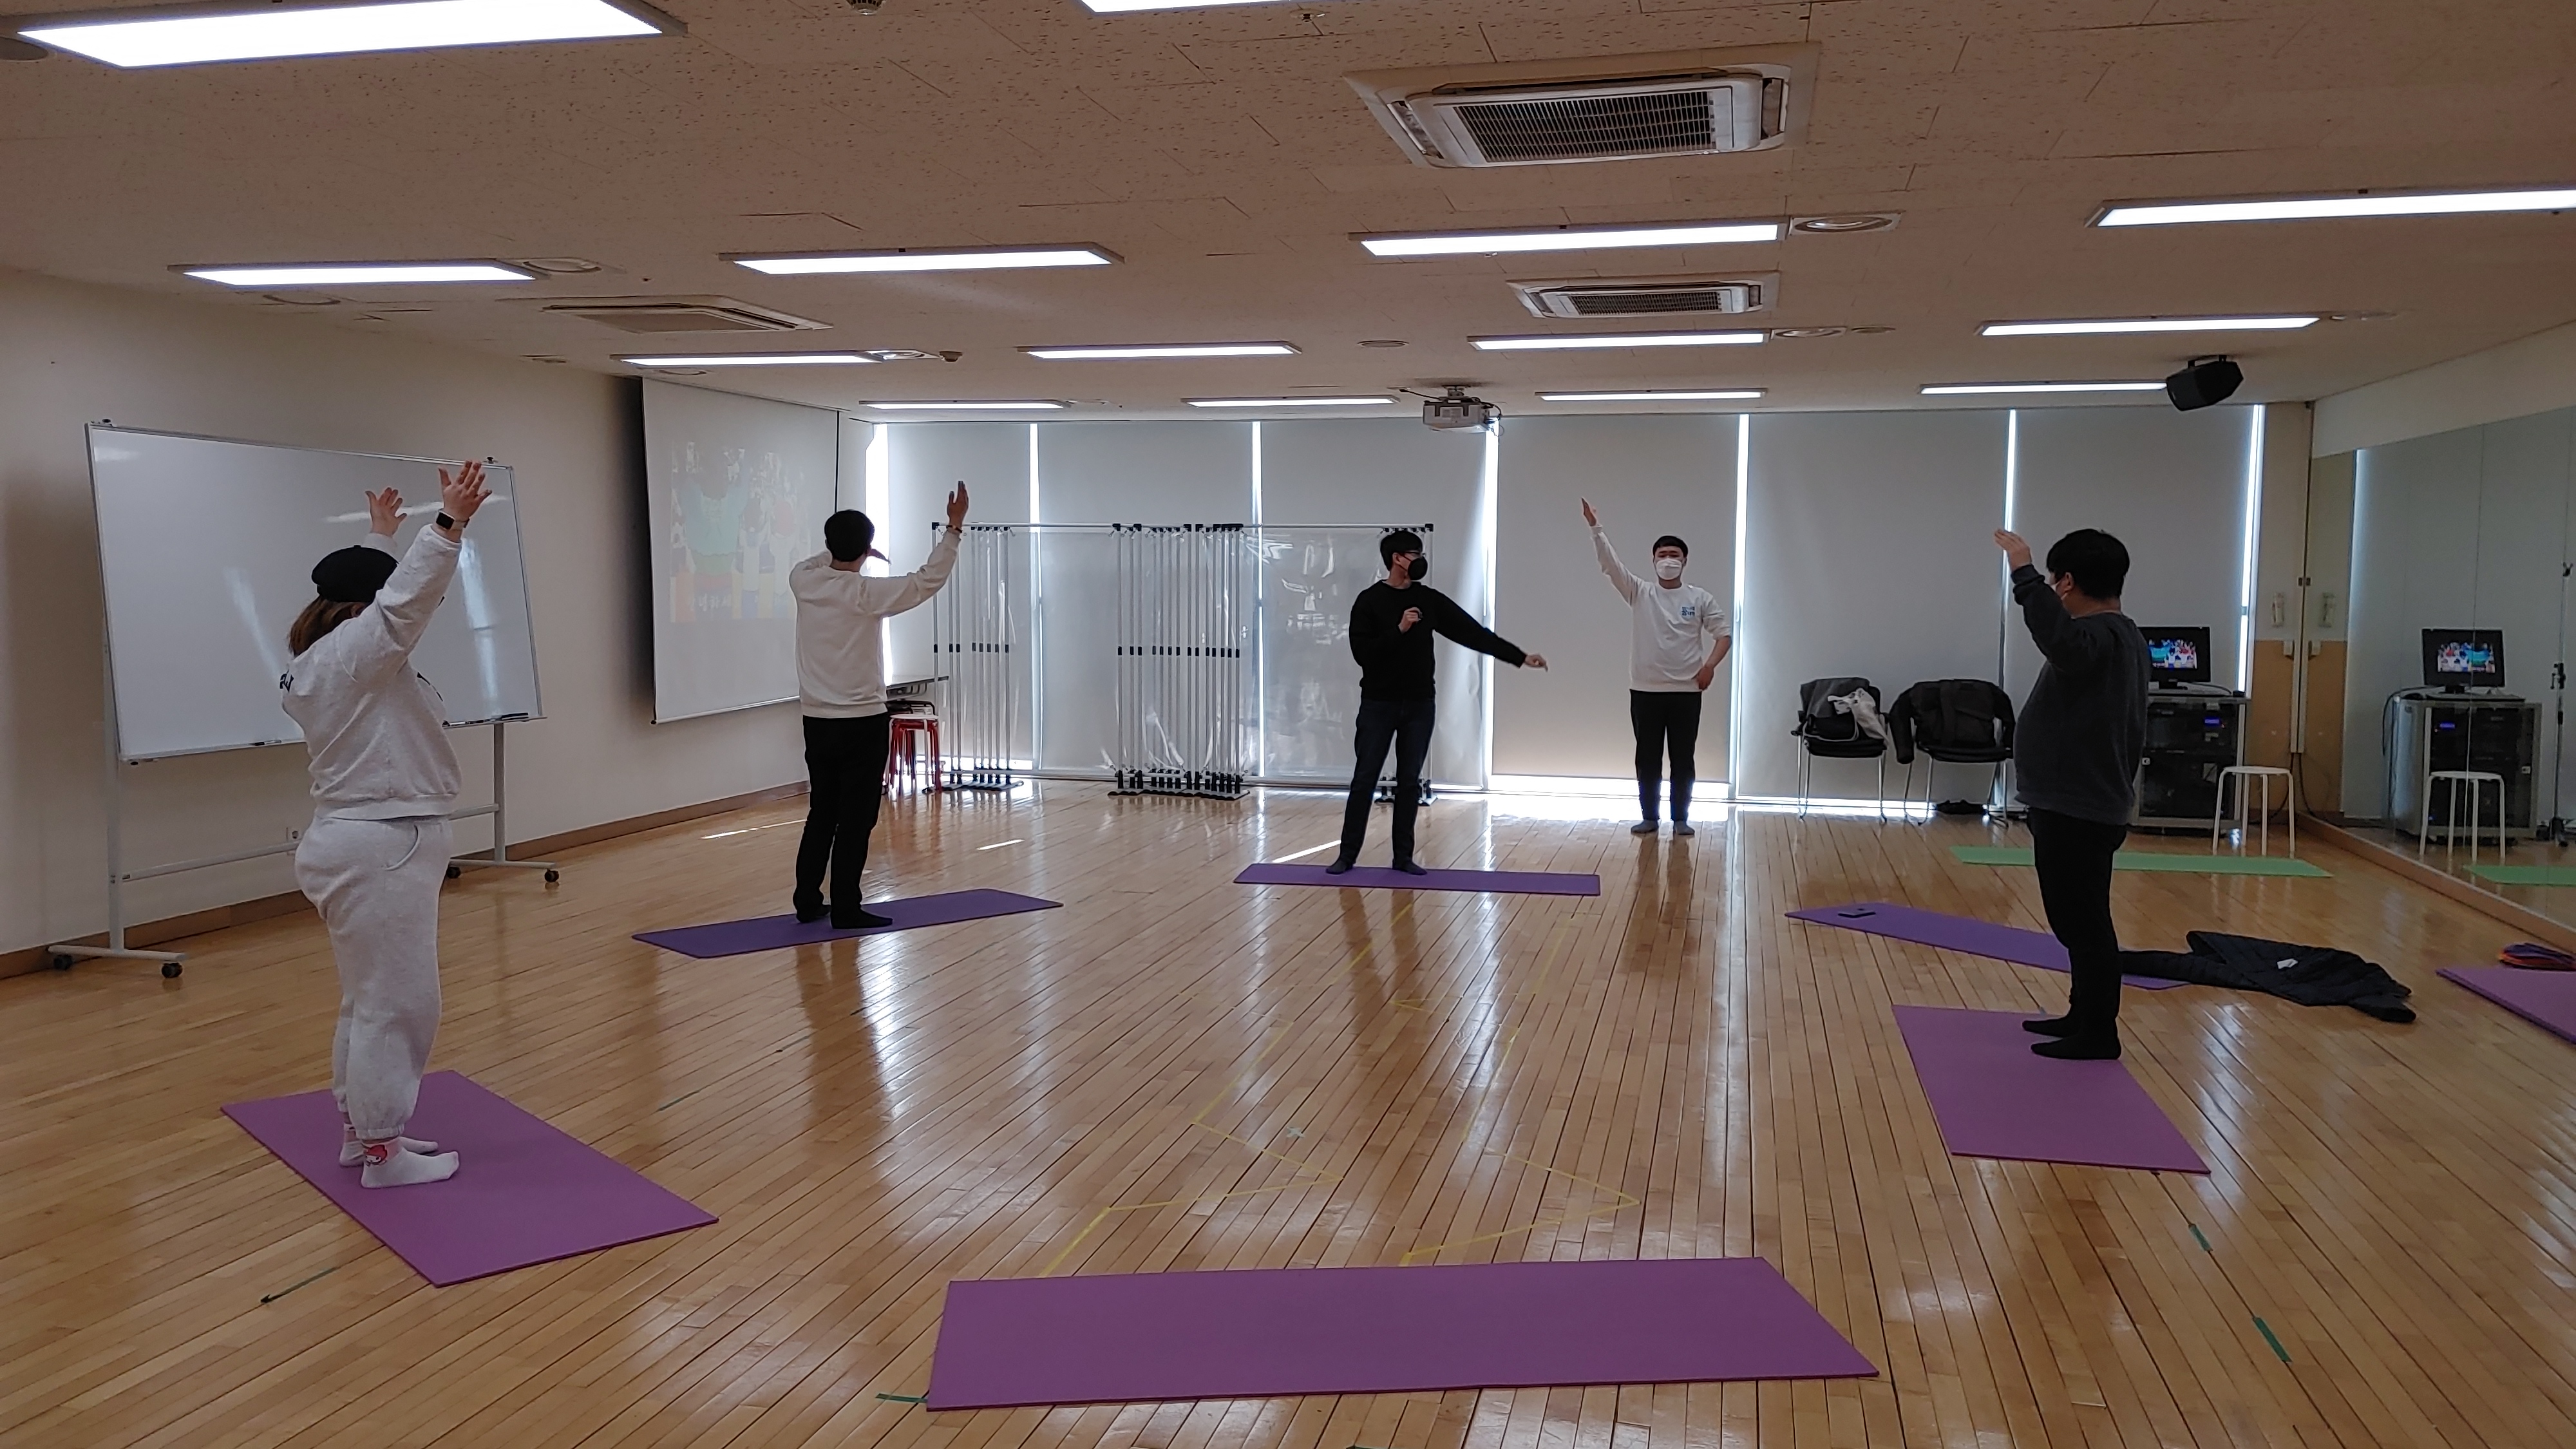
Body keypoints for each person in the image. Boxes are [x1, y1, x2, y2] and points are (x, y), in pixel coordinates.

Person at [281, 461, 491, 1188]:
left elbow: (380, 595)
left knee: (370, 997)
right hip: (382, 844)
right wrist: (449, 525)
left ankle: (362, 1133)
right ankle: (382, 1151)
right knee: (399, 1002)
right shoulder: (356, 655)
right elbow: (404, 601)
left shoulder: (325, 658)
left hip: (362, 839)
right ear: (361, 613)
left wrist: (378, 537)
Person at [1995, 526, 2149, 1060]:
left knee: (2083, 924)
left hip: (2078, 807)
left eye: (2054, 580)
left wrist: (2024, 575)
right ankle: (2082, 1014)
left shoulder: (2100, 637)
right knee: (2078, 921)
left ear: (2065, 582)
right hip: (2078, 803)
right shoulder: (2119, 636)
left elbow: (2060, 641)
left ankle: (2099, 1032)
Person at [790, 483, 968, 927]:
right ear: (867, 549)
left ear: (829, 543)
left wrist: (849, 551)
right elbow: (926, 581)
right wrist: (953, 530)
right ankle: (846, 908)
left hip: (816, 720)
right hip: (860, 722)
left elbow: (819, 560)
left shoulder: (803, 581)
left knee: (822, 812)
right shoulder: (865, 594)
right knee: (856, 818)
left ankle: (808, 901)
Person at [1328, 529, 1546, 875]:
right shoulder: (1369, 601)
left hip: (1419, 704)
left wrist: (1519, 657)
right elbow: (1363, 655)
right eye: (1414, 554)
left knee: (1409, 781)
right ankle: (1347, 856)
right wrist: (1399, 629)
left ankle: (1403, 858)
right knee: (1365, 778)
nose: (1420, 560)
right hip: (1378, 705)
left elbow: (1471, 633)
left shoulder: (1428, 599)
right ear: (1397, 559)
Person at [1583, 500, 1729, 837]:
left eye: (1674, 555)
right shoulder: (1640, 592)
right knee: (1647, 758)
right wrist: (1595, 528)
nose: (1668, 560)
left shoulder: (1699, 598)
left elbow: (1723, 635)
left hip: (1686, 692)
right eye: (1662, 555)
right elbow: (1611, 566)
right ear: (1653, 560)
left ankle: (1681, 819)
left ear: (1685, 561)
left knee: (1683, 758)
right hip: (1646, 690)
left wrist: (1709, 667)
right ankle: (1650, 817)